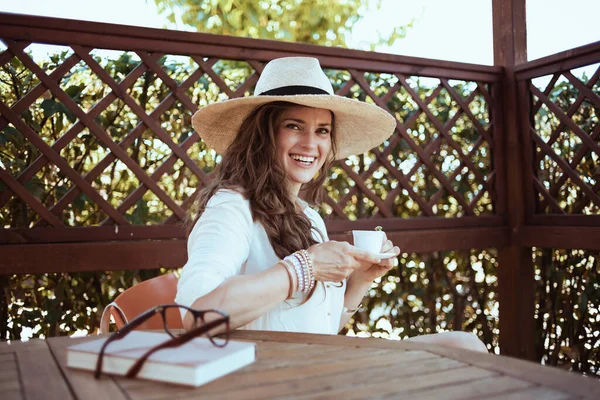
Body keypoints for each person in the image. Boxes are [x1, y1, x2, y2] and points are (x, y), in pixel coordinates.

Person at [175, 57, 487, 353]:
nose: (311, 144)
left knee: (464, 345)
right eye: (294, 126)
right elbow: (194, 315)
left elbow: (321, 328)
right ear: (263, 135)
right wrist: (304, 268)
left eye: (322, 130)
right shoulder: (231, 208)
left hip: (317, 363)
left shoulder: (308, 218)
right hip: (270, 381)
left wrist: (361, 281)